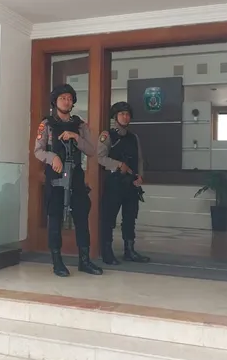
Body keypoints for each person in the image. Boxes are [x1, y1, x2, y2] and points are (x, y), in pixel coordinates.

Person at [34, 84, 103, 277]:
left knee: (81, 216)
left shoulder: (80, 125)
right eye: (62, 98)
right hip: (55, 176)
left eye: (69, 98)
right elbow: (38, 151)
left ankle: (84, 260)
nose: (66, 101)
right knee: (55, 217)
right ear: (55, 102)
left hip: (76, 175)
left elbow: (91, 150)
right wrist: (52, 158)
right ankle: (57, 261)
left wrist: (75, 137)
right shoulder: (46, 124)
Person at [97, 101, 150, 264]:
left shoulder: (134, 137)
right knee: (109, 218)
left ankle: (130, 250)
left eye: (127, 114)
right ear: (115, 117)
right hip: (114, 182)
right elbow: (100, 158)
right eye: (121, 114)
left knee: (130, 218)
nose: (125, 117)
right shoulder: (107, 135)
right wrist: (119, 165)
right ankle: (107, 252)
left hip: (131, 184)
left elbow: (139, 159)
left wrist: (140, 176)